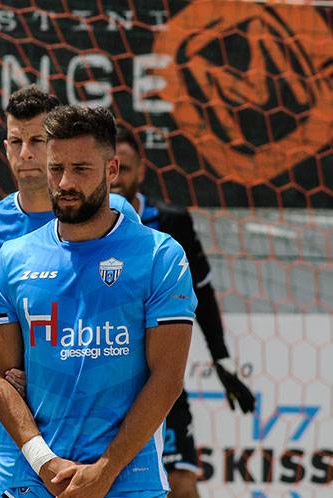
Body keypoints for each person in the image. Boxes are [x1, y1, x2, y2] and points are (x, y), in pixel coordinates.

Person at [0, 105, 197, 498]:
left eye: (81, 169)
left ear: (112, 170)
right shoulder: (12, 259)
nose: (65, 182)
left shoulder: (158, 255)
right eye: (56, 168)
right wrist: (43, 461)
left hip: (127, 478)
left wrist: (105, 470)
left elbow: (166, 378)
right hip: (32, 476)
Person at [0, 86, 140, 497]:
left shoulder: (118, 213)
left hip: (100, 414)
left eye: (36, 141)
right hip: (26, 414)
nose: (26, 154)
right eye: (16, 142)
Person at [112, 127, 256, 498]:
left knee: (181, 486)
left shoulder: (170, 221)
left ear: (141, 171)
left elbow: (202, 296)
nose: (116, 178)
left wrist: (222, 362)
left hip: (160, 383)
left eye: (124, 168)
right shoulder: (73, 230)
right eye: (110, 168)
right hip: (100, 383)